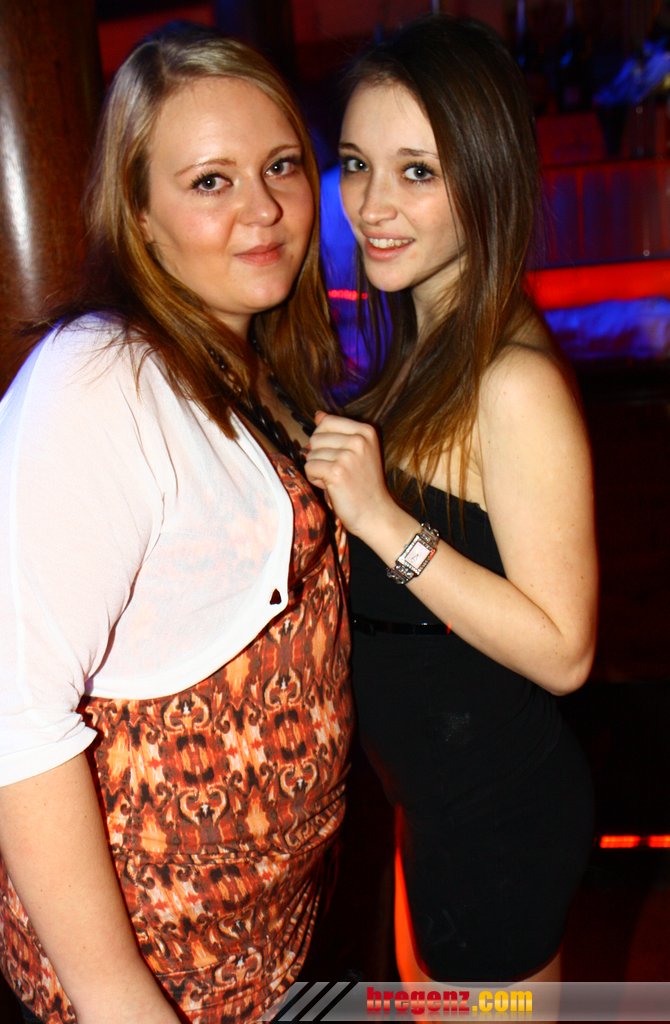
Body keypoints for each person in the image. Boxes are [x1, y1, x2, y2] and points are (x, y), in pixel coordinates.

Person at [0, 25, 353, 1024]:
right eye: (210, 181)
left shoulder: (258, 362)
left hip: (260, 957)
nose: (263, 208)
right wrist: (121, 1002)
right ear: (140, 215)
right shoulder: (97, 380)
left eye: (281, 165)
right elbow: (11, 714)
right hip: (149, 978)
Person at [306, 14, 597, 990]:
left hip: (497, 823)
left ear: (487, 177)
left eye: (418, 172)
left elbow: (565, 650)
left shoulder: (513, 383)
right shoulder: (422, 350)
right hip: (439, 806)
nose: (373, 204)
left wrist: (382, 521)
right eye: (357, 164)